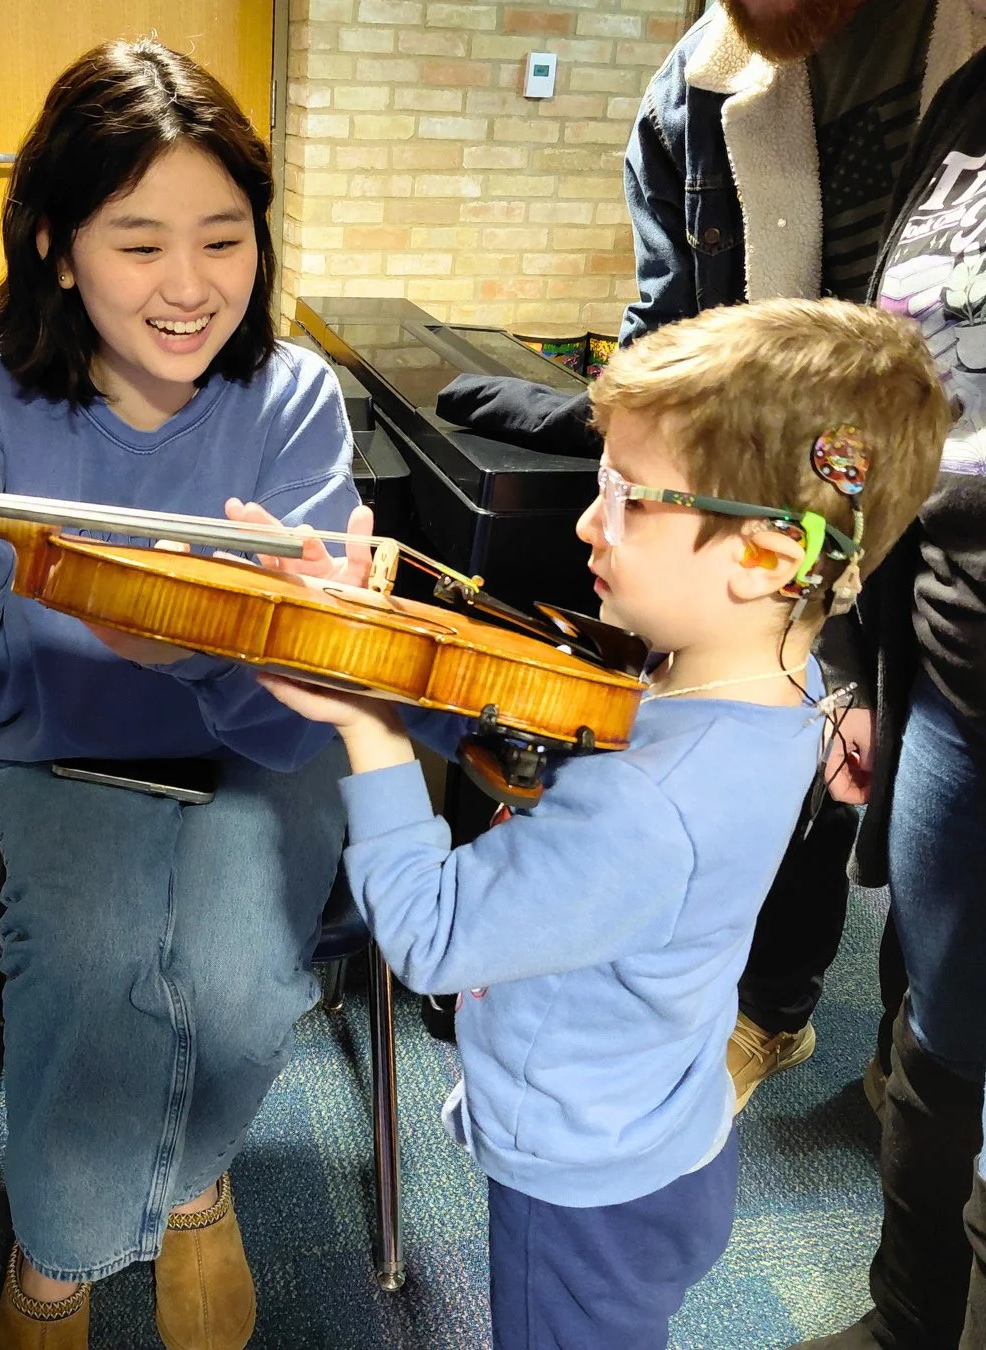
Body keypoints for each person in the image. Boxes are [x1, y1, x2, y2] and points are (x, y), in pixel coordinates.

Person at [255, 298, 948, 1350]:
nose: (587, 520)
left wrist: (370, 728)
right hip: (672, 1131)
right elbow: (543, 729)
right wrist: (387, 645)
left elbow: (434, 938)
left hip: (582, 1192)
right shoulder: (780, 684)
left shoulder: (644, 803)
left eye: (624, 498)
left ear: (764, 558)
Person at [437, 0, 984, 1112]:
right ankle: (769, 1009)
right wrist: (630, 504)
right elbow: (661, 348)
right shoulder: (698, 87)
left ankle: (883, 1051)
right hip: (781, 520)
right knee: (803, 764)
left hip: (938, 534)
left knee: (919, 859)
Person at [0, 39, 369, 1350]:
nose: (188, 286)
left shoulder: (290, 402)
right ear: (55, 244)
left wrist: (214, 645)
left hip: (260, 753)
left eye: (223, 240)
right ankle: (57, 1262)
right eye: (138, 241)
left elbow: (308, 703)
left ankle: (193, 1183)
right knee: (98, 972)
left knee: (231, 985)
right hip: (64, 752)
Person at [791, 38, 986, 1350]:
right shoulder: (966, 113)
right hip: (954, 685)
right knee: (941, 1028)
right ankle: (908, 1318)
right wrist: (851, 655)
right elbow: (872, 395)